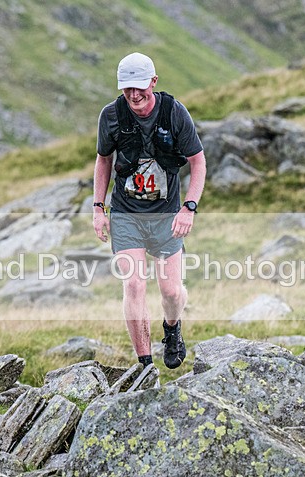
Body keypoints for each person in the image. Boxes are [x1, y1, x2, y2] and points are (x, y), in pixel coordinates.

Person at [92, 52, 206, 370]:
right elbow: (103, 160)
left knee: (170, 291)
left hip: (167, 214)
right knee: (134, 284)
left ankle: (172, 328)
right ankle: (145, 365)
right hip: (127, 213)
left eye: (140, 86)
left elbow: (198, 162)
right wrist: (98, 208)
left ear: (153, 83)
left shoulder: (174, 113)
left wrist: (189, 208)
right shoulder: (111, 116)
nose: (134, 94)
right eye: (127, 88)